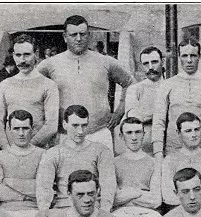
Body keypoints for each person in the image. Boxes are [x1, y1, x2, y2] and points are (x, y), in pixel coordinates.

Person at [38, 15, 134, 153]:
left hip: (98, 133)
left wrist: (119, 112)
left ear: (88, 35)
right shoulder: (49, 64)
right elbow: (33, 87)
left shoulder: (105, 61)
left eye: (82, 34)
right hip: (65, 135)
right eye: (73, 35)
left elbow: (130, 83)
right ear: (65, 36)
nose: (78, 38)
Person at [34, 105, 116, 217]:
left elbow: (108, 184)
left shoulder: (101, 151)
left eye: (84, 125)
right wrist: (43, 210)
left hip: (91, 208)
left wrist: (105, 212)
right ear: (65, 125)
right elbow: (44, 186)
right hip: (63, 209)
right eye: (75, 125)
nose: (80, 131)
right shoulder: (53, 153)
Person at [152, 38, 201, 157]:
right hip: (174, 151)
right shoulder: (166, 85)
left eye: (193, 55)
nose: (189, 60)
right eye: (185, 56)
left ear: (200, 56)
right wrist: (158, 153)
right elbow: (158, 122)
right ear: (179, 56)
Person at [0, 34, 60, 150]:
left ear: (36, 54)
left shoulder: (49, 85)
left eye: (27, 55)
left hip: (39, 151)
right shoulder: (5, 84)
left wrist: (28, 148)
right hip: (10, 152)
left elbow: (52, 125)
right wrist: (6, 149)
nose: (22, 60)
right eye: (18, 55)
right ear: (13, 56)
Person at [112, 117, 162, 217]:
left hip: (148, 213)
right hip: (122, 212)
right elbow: (114, 199)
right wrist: (140, 192)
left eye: (138, 132)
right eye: (129, 133)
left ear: (144, 134)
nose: (134, 137)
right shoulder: (114, 163)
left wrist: (128, 193)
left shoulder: (154, 163)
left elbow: (156, 200)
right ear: (121, 136)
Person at [161, 113, 201, 207]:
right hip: (180, 212)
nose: (194, 135)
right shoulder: (169, 160)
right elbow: (168, 196)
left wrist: (183, 190)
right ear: (178, 133)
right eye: (188, 131)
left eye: (196, 130)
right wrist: (200, 188)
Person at [123, 46, 164, 155]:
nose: (150, 67)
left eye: (154, 62)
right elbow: (134, 118)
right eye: (146, 63)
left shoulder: (172, 87)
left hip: (169, 148)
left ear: (163, 62)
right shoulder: (134, 89)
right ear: (141, 65)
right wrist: (163, 113)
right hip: (144, 151)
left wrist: (146, 114)